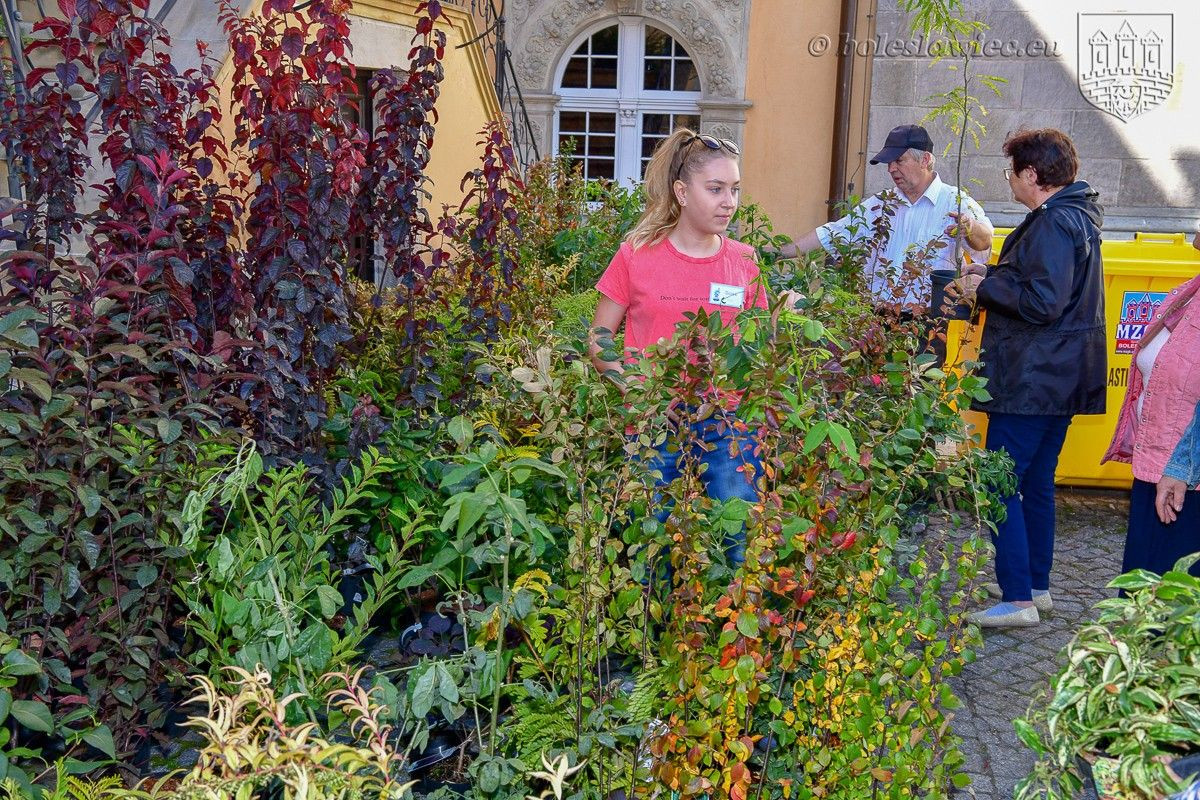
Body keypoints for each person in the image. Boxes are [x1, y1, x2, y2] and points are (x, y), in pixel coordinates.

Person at [948, 128, 1107, 628]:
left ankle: (1016, 599)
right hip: (1056, 377)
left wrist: (984, 289)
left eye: (1012, 171)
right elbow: (1041, 283)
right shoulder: (1072, 216)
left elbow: (1042, 301)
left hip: (1033, 379)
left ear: (1032, 175)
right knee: (1035, 483)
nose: (1010, 180)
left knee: (999, 483)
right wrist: (990, 275)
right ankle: (1035, 586)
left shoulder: (1056, 224)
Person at [588, 128, 767, 567]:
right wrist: (639, 393)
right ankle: (653, 628)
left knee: (736, 538)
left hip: (727, 423)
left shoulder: (743, 261)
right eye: (716, 189)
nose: (729, 202)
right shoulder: (636, 255)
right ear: (682, 193)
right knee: (650, 543)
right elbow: (599, 338)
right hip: (653, 423)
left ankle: (730, 624)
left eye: (735, 189)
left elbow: (760, 343)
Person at [777, 124, 994, 315]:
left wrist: (970, 227)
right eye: (889, 163)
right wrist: (775, 253)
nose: (891, 169)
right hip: (878, 322)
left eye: (899, 160)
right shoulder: (880, 204)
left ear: (925, 160)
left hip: (930, 323)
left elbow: (985, 243)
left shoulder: (954, 201)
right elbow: (831, 234)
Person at [1101, 221, 1200, 577]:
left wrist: (1180, 469)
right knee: (1142, 594)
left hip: (1186, 478)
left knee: (1171, 600)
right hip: (1155, 466)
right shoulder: (1190, 289)